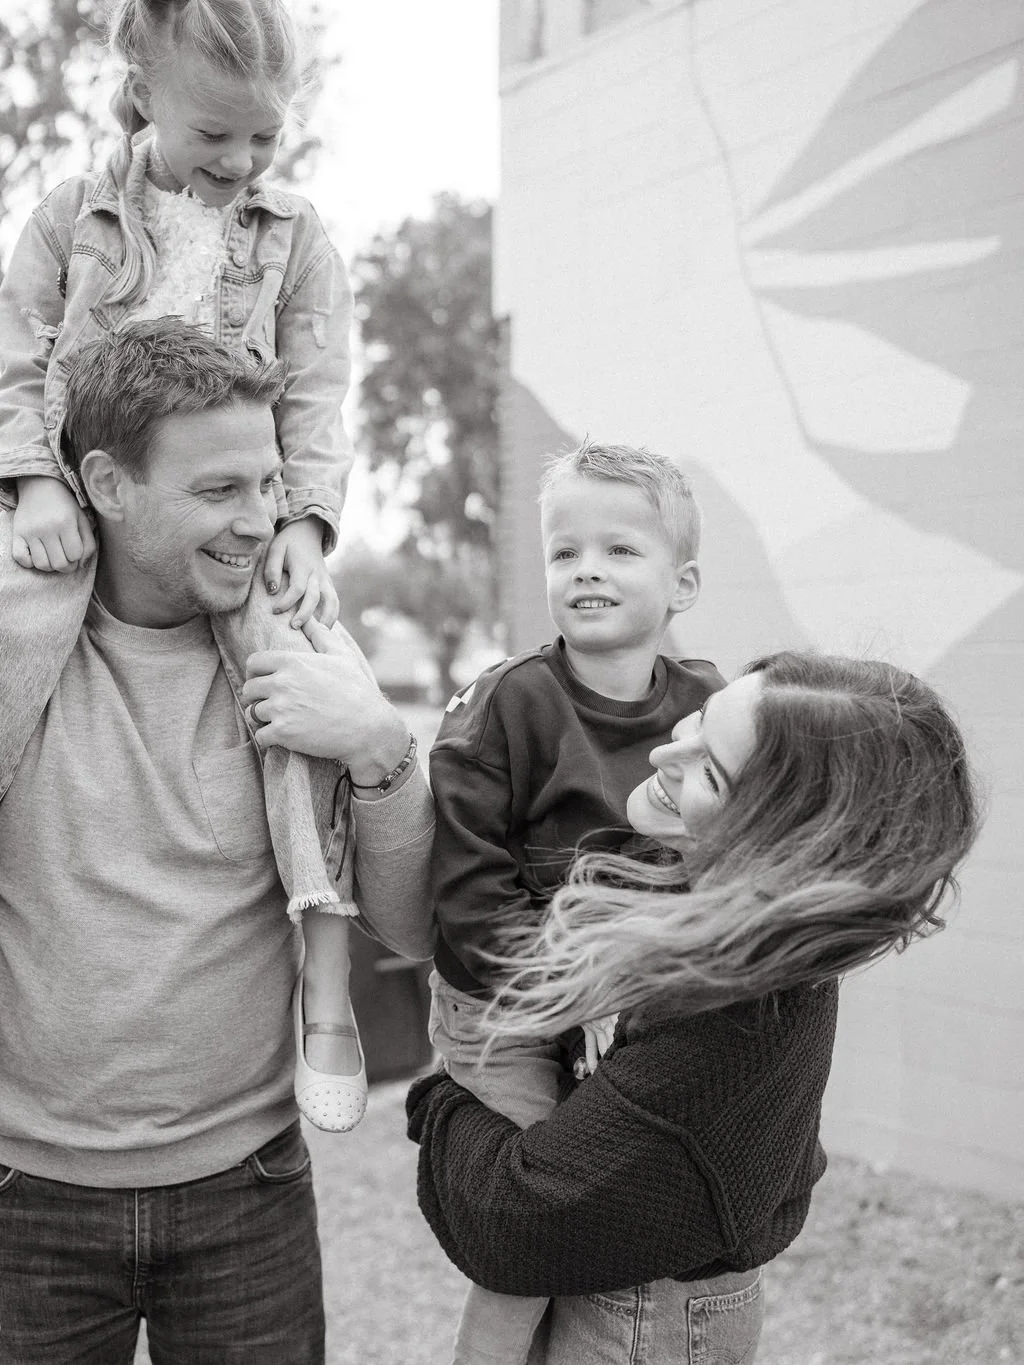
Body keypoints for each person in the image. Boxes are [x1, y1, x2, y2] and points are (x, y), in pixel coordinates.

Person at [0, 320, 435, 1364]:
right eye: (217, 492)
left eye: (268, 486)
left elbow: (410, 923)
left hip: (250, 1191)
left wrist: (380, 750)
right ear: (104, 482)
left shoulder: (305, 654)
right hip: (24, 1201)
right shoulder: (12, 656)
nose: (258, 524)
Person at [0, 0, 365, 1127]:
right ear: (144, 89)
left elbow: (315, 395)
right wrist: (38, 483)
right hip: (81, 510)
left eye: (263, 136)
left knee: (304, 703)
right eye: (216, 134)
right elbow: (16, 365)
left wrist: (303, 522)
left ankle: (327, 988)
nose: (242, 160)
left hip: (236, 521)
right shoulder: (72, 219)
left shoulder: (294, 235)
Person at [408, 651, 979, 1365]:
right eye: (699, 720)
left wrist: (444, 1094)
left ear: (783, 848)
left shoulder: (726, 1023)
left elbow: (520, 1220)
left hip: (644, 1321)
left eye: (709, 771)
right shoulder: (714, 908)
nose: (663, 752)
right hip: (627, 1281)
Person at [427, 441, 724, 1363]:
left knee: (650, 1191)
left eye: (620, 549)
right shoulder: (506, 707)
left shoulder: (712, 706)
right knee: (540, 1212)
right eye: (566, 552)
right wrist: (585, 992)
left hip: (640, 994)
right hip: (508, 1004)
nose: (586, 567)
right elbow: (470, 913)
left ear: (682, 584)